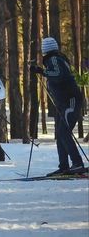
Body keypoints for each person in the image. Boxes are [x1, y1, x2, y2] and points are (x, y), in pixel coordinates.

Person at [30, 37, 86, 176]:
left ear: (46, 49)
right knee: (61, 134)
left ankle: (77, 163)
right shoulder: (55, 59)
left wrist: (40, 71)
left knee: (64, 133)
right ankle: (64, 166)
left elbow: (59, 75)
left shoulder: (53, 59)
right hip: (64, 104)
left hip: (71, 101)